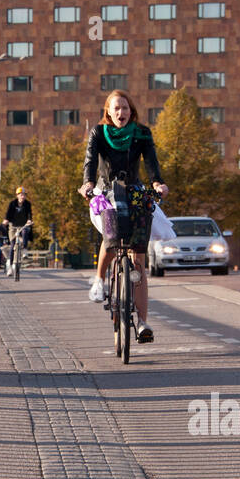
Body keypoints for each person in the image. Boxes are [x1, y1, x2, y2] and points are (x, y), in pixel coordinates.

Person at [78, 90, 168, 343]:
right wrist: (87, 184)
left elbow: (152, 163)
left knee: (138, 258)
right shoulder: (98, 133)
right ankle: (99, 280)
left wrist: (158, 183)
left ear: (131, 111)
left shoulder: (142, 133)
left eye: (125, 108)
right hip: (105, 192)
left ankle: (142, 322)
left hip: (134, 191)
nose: (121, 113)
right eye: (116, 108)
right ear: (108, 111)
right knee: (112, 236)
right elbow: (90, 163)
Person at [5, 186, 34, 272]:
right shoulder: (12, 203)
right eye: (21, 195)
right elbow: (8, 213)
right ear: (17, 195)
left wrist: (29, 220)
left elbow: (29, 214)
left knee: (25, 231)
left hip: (23, 225)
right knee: (13, 245)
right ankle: (10, 265)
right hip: (13, 226)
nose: (23, 196)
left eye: (24, 195)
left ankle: (24, 249)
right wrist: (6, 220)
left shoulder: (27, 204)